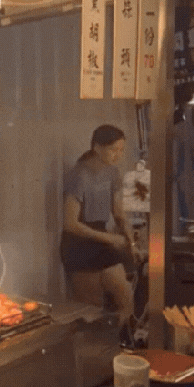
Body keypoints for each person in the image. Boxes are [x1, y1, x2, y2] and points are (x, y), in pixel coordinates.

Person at [60, 124, 137, 324]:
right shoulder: (79, 175)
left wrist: (130, 241)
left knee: (126, 296)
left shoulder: (112, 173)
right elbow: (70, 224)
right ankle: (95, 351)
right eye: (113, 150)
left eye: (121, 150)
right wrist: (111, 238)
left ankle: (123, 341)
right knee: (91, 308)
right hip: (79, 244)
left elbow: (118, 212)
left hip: (101, 240)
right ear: (97, 147)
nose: (118, 155)